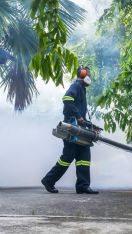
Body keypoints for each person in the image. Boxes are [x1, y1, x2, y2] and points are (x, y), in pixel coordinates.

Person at [41, 65, 99, 194]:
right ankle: (48, 180)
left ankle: (83, 186)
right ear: (82, 74)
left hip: (79, 129)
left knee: (84, 157)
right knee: (67, 157)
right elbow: (67, 99)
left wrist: (87, 123)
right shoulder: (76, 86)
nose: (89, 77)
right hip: (71, 128)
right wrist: (78, 116)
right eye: (88, 74)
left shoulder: (82, 88)